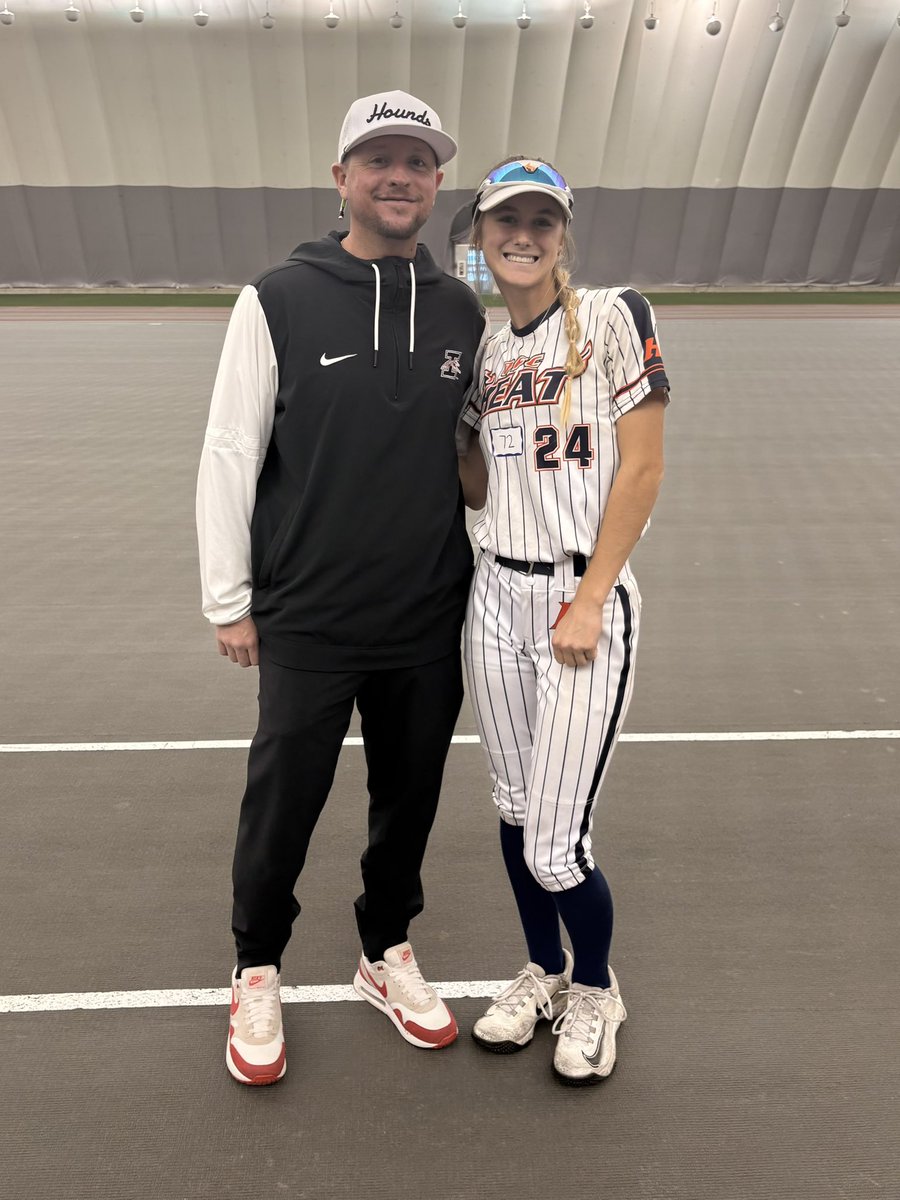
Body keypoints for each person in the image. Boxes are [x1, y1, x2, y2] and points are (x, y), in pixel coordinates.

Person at [196, 91, 486, 1085]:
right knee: (283, 804)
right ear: (342, 179)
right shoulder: (277, 296)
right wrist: (228, 600)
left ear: (437, 181)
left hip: (425, 617)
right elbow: (232, 452)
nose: (399, 177)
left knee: (407, 802)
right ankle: (256, 963)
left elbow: (472, 456)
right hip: (309, 618)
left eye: (417, 161)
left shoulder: (459, 307)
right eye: (379, 160)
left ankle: (384, 949)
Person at [457, 158, 669, 1084]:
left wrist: (591, 598)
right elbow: (477, 477)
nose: (524, 235)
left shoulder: (614, 315)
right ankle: (541, 970)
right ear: (480, 234)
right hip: (493, 595)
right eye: (508, 219)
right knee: (512, 808)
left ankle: (596, 987)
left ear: (562, 234)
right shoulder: (490, 353)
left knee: (555, 841)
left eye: (543, 220)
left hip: (578, 602)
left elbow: (644, 467)